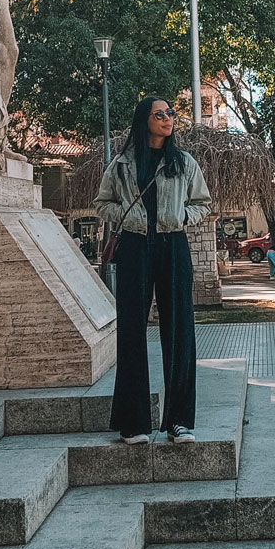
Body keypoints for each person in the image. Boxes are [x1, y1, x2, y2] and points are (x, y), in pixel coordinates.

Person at [95, 97, 213, 444]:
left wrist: (181, 219)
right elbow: (102, 203)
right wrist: (128, 218)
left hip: (172, 246)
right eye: (159, 114)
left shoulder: (183, 162)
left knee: (179, 329)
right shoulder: (122, 165)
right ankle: (134, 423)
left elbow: (202, 204)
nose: (168, 119)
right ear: (144, 120)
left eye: (170, 113)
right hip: (134, 247)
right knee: (131, 331)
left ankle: (179, 421)